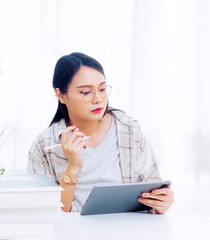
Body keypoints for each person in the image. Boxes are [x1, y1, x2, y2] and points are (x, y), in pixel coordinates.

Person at [27, 52, 174, 213]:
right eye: (85, 92)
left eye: (102, 89)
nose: (98, 99)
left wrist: (160, 203)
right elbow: (44, 214)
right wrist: (73, 168)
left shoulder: (129, 130)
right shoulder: (44, 146)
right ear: (61, 95)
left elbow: (153, 192)